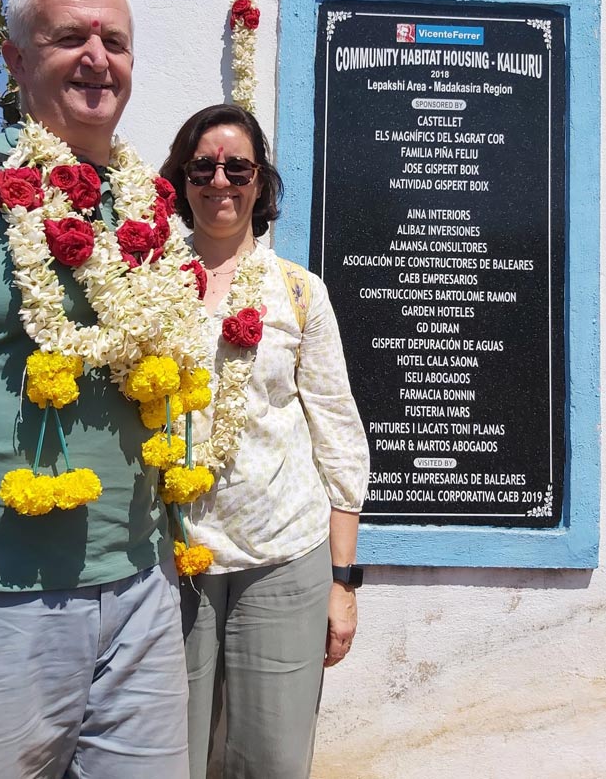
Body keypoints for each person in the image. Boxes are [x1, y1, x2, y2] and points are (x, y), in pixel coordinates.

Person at [0, 0, 197, 778]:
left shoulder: (150, 207)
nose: (97, 57)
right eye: (69, 37)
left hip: (140, 588)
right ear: (16, 58)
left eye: (114, 41)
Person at [160, 104, 370, 779]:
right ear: (182, 178)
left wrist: (342, 581)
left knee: (271, 762)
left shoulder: (299, 292)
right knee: (169, 759)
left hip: (283, 554)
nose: (219, 181)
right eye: (202, 167)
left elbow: (339, 436)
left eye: (238, 168)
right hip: (171, 559)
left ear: (261, 181)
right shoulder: (147, 285)